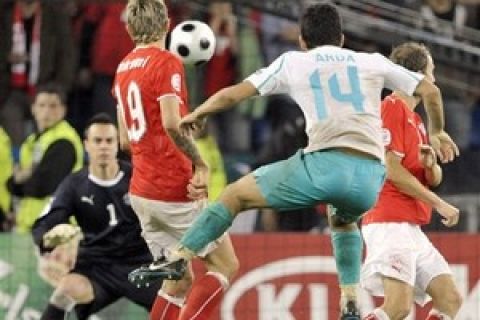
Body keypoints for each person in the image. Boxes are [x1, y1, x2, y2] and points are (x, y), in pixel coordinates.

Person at [150, 3, 460, 319]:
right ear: (341, 39)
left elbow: (234, 95)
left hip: (325, 167)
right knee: (341, 217)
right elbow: (431, 91)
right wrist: (437, 132)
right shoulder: (371, 61)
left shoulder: (295, 62)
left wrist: (199, 113)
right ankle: (350, 298)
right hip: (368, 180)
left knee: (234, 195)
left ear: (301, 40)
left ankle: (178, 255)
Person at [113, 1, 239, 319]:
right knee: (225, 264)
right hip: (172, 190)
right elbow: (170, 123)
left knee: (178, 282)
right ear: (168, 24)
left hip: (142, 192)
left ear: (129, 28)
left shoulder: (123, 68)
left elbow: (125, 140)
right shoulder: (167, 61)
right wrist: (200, 162)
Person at [361, 43, 462, 320]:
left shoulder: (416, 119)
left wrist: (431, 167)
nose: (434, 81)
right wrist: (439, 204)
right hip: (388, 221)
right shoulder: (390, 108)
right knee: (397, 308)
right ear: (415, 76)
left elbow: (432, 177)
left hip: (409, 226)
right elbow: (392, 171)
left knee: (449, 299)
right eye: (431, 73)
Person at [31, 113, 162, 320]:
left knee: (176, 303)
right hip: (97, 266)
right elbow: (46, 222)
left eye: (109, 140)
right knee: (65, 290)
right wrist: (48, 239)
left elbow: (164, 214)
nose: (103, 146)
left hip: (141, 264)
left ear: (117, 143)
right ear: (86, 145)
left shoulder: (137, 178)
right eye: (97, 141)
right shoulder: (74, 184)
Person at [7, 83, 84, 233]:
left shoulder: (65, 141)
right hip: (30, 225)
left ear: (63, 110)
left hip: (55, 229)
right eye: (42, 105)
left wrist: (18, 182)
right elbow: (12, 183)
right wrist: (16, 182)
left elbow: (41, 186)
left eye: (53, 106)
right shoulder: (31, 141)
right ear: (33, 108)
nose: (47, 111)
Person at [0, 0, 76, 146]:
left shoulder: (55, 15)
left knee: (47, 137)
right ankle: (17, 165)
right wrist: (5, 58)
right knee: (12, 135)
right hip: (10, 91)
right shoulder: (4, 13)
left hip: (46, 88)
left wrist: (59, 90)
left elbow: (67, 54)